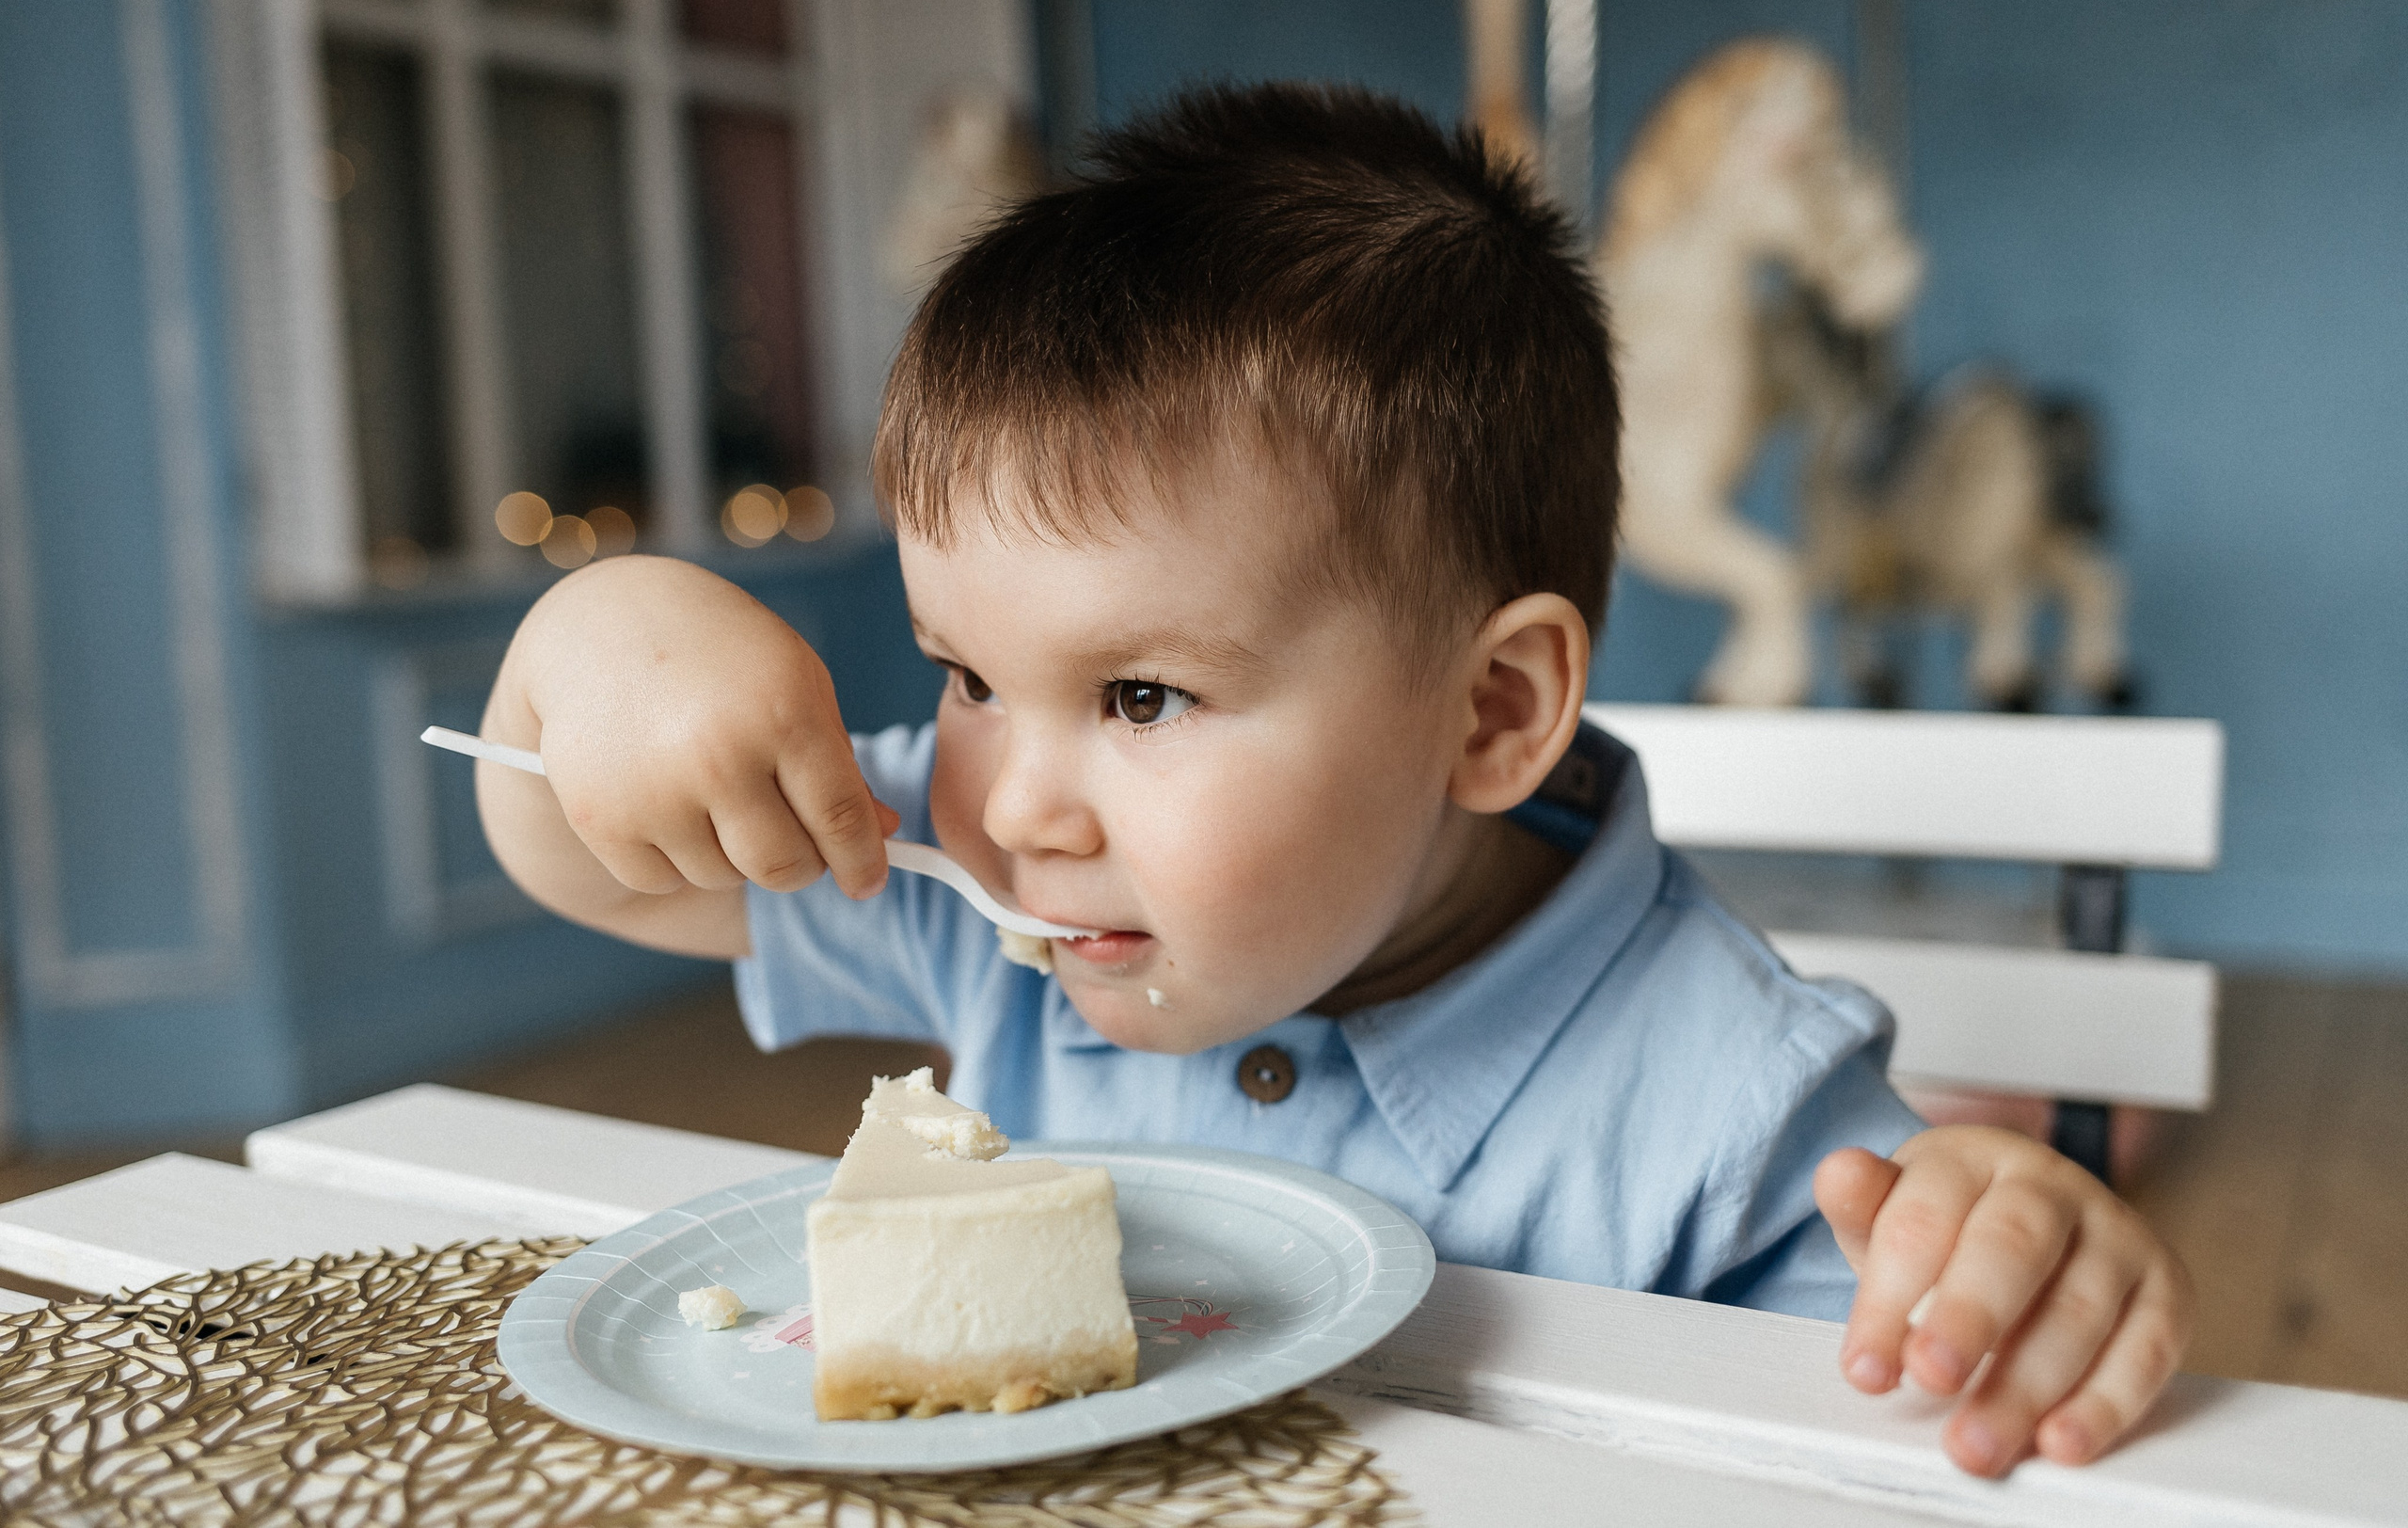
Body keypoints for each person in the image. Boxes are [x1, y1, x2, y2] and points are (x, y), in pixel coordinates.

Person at [475, 83, 2192, 1478]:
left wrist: (2013, 1254)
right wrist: (601, 647)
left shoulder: (1731, 1107)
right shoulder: (988, 895)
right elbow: (585, 857)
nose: (1013, 806)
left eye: (1141, 695)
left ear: (1493, 713)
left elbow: (1898, 1410)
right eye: (969, 674)